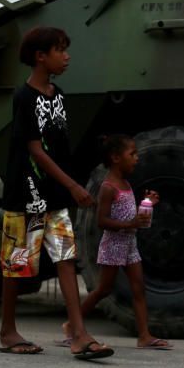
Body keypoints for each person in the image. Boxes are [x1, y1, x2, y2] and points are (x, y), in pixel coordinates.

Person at [0, 26, 113, 360]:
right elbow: (35, 150)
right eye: (60, 50)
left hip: (56, 197)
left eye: (66, 49)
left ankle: (79, 333)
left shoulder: (58, 94)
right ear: (40, 56)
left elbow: (59, 146)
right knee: (17, 264)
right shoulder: (25, 98)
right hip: (28, 194)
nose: (67, 56)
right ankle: (7, 331)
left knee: (65, 258)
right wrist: (73, 185)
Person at [60, 134, 172, 349]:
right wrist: (130, 225)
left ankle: (144, 336)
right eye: (132, 154)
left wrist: (148, 204)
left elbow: (129, 214)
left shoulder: (126, 183)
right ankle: (71, 324)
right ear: (116, 158)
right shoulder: (108, 187)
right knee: (104, 289)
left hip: (130, 244)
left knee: (139, 288)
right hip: (113, 245)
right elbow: (102, 221)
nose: (137, 158)